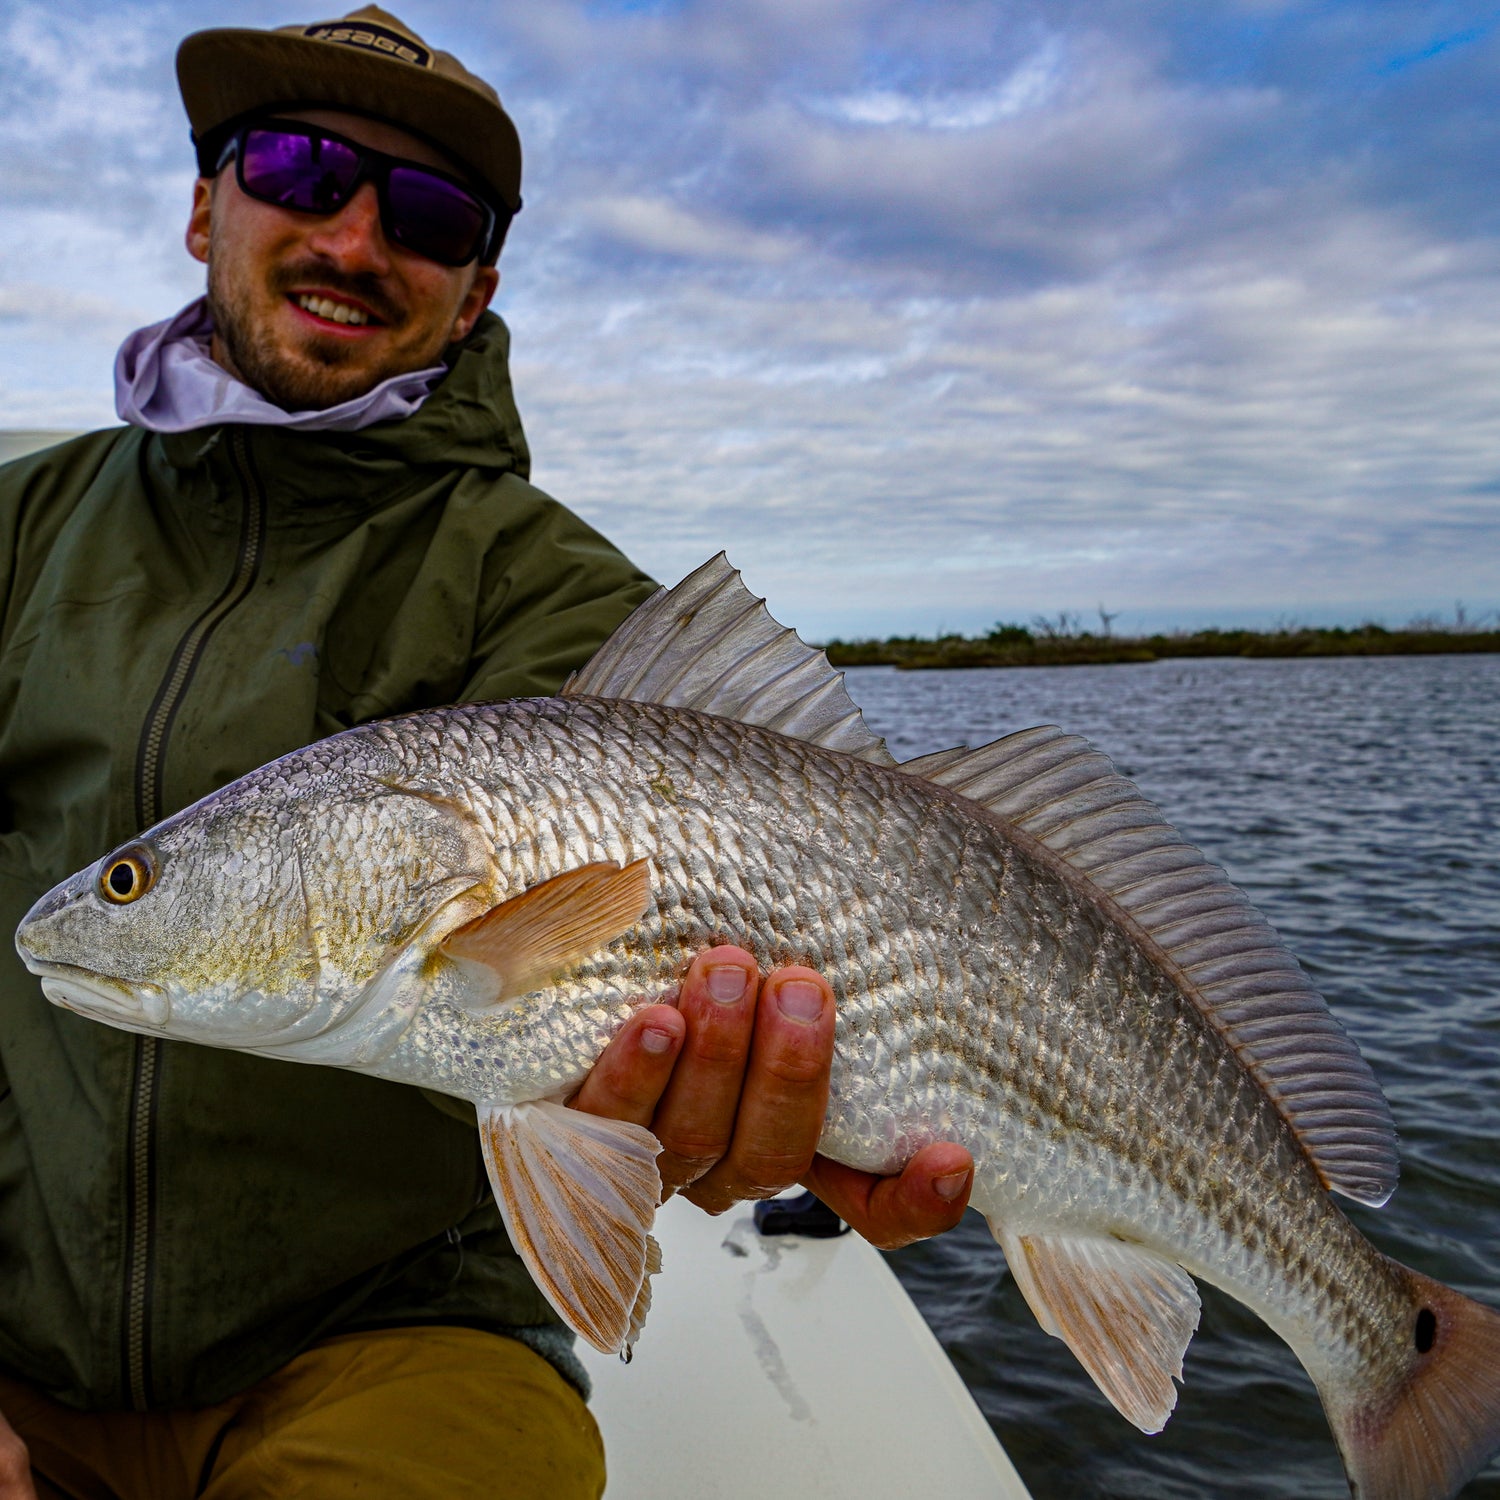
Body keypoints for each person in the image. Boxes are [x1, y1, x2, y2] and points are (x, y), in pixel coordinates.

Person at [0, 9, 974, 1497]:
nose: (355, 234)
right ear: (206, 203)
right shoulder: (21, 526)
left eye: (431, 212)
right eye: (299, 165)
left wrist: (706, 1115)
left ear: (476, 294)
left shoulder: (559, 596)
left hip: (401, 1330)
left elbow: (629, 1027)